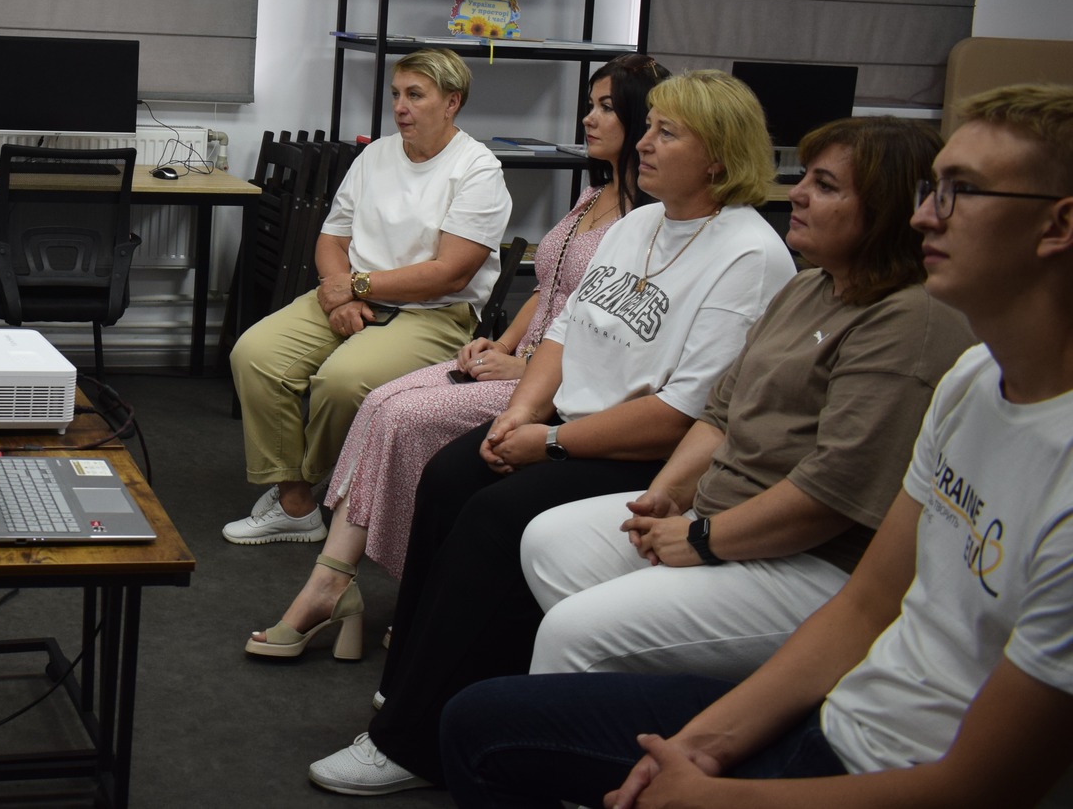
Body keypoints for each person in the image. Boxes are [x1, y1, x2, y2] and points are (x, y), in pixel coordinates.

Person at [438, 84, 1073, 809]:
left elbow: (981, 784)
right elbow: (865, 604)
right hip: (835, 705)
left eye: (962, 191)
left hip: (854, 703)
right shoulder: (971, 377)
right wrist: (698, 747)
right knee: (515, 623)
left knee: (566, 633)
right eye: (932, 190)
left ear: (1058, 224)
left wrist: (700, 540)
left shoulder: (920, 334)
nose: (927, 213)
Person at [305, 69, 794, 795]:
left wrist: (554, 442)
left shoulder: (748, 255)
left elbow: (684, 414)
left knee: (494, 520)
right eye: (649, 127)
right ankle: (412, 685)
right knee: (448, 476)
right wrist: (522, 412)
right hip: (566, 420)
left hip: (643, 452)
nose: (645, 143)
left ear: (719, 157)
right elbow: (565, 329)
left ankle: (410, 744)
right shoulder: (639, 223)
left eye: (667, 132)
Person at [520, 116, 973, 680]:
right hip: (719, 511)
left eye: (825, 186)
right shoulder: (809, 285)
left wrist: (702, 539)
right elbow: (719, 413)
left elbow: (831, 493)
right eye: (805, 177)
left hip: (812, 562)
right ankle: (657, 697)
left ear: (887, 209)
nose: (797, 194)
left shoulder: (906, 321)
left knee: (573, 634)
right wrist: (666, 495)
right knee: (547, 543)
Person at [246, 54, 667, 660]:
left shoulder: (648, 219)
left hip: (555, 381)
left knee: (385, 408)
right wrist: (504, 344)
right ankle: (332, 575)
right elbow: (552, 292)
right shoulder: (595, 197)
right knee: (377, 402)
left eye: (605, 107)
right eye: (590, 104)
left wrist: (527, 367)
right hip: (521, 358)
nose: (587, 118)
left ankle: (360, 586)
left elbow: (612, 336)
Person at [226, 50, 511, 545]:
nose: (400, 106)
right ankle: (296, 501)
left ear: (452, 103)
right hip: (354, 291)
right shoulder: (376, 155)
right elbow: (332, 238)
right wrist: (342, 297)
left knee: (343, 382)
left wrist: (358, 287)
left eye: (415, 95)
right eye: (396, 94)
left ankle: (307, 487)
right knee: (254, 354)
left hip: (434, 312)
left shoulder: (477, 169)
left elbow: (450, 273)